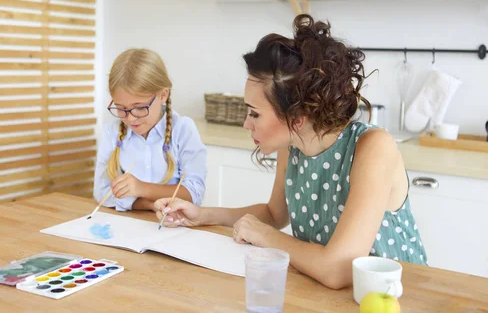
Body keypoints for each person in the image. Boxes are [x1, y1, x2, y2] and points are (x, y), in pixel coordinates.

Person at [154, 16, 427, 289]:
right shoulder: (293, 144)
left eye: (254, 113)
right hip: (327, 293)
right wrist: (201, 215)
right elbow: (275, 215)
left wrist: (265, 236)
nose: (246, 123)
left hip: (392, 299)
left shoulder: (372, 147)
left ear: (296, 118)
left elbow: (338, 269)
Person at [93, 48, 207, 211]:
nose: (130, 118)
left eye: (139, 107)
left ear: (163, 95)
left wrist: (142, 188)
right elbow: (101, 191)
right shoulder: (112, 132)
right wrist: (148, 205)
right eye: (121, 108)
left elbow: (195, 192)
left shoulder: (183, 130)